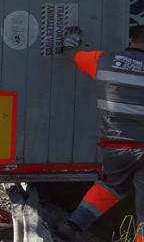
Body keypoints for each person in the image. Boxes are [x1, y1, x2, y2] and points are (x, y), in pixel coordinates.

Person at [56, 25, 144, 241]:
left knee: (111, 186)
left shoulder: (103, 61)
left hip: (115, 146)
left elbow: (71, 55)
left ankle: (74, 223)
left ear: (131, 39)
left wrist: (68, 44)